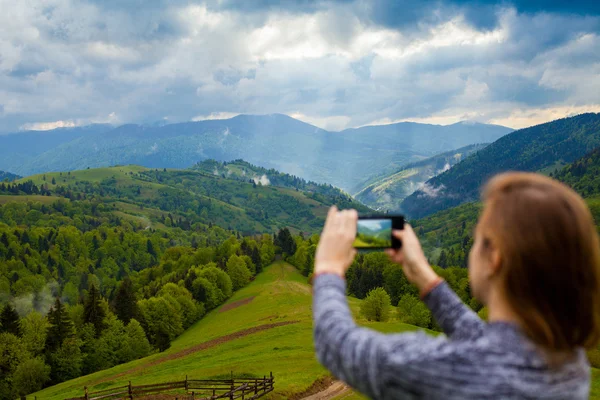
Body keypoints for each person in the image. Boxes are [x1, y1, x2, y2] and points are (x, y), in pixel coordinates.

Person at [312, 172, 600, 399]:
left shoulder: (453, 369)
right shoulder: (569, 364)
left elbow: (337, 345)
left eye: (478, 239)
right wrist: (426, 278)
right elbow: (491, 347)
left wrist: (328, 269)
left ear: (495, 257)